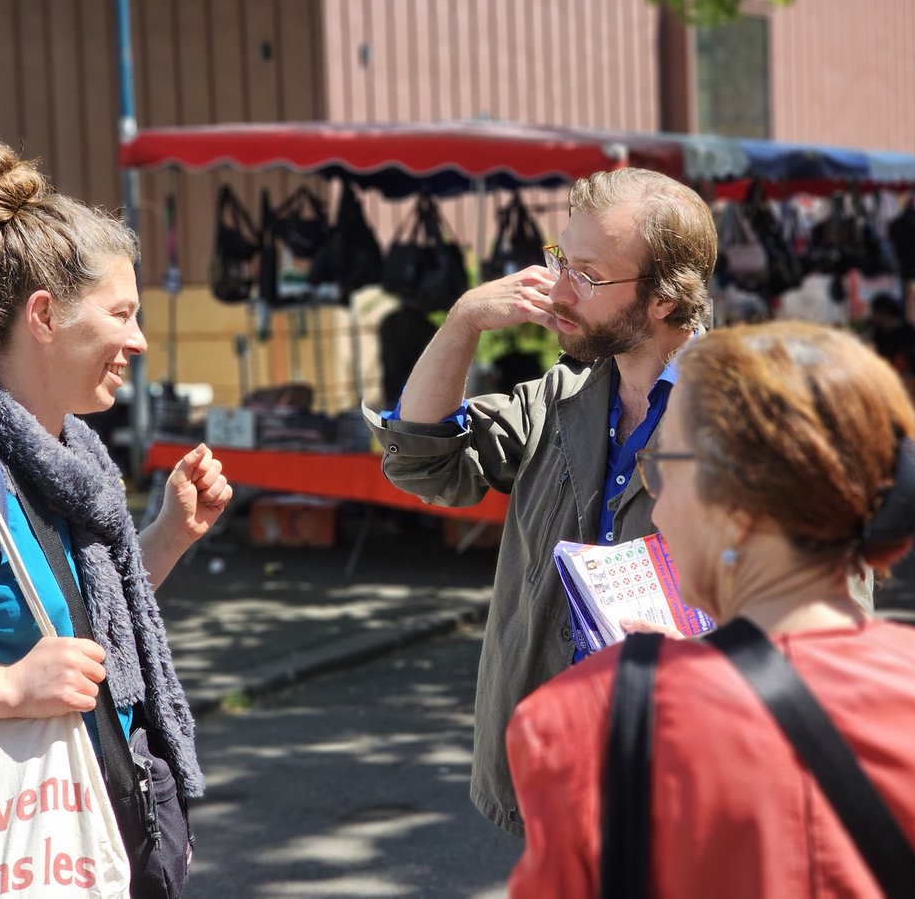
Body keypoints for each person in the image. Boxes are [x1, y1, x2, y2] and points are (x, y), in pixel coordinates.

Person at [364, 168, 872, 837]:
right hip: (559, 771)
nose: (558, 290)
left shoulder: (759, 418)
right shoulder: (560, 398)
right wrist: (463, 321)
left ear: (664, 300)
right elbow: (423, 461)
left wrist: (714, 659)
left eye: (588, 274)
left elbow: (837, 624)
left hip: (690, 786)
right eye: (560, 261)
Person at [507, 322, 915, 898]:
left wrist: (670, 686)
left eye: (663, 464)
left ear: (739, 503)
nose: (653, 496)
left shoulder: (583, 719)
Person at [0, 143, 232, 823]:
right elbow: (36, 671)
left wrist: (170, 535)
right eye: (121, 313)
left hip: (76, 827)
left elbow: (86, 613)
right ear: (45, 317)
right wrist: (10, 687)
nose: (140, 340)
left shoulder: (71, 460)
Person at [866, 291, 915, 408]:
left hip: (910, 389)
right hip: (889, 389)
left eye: (874, 312)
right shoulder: (877, 335)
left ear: (883, 313)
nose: (872, 317)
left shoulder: (907, 332)